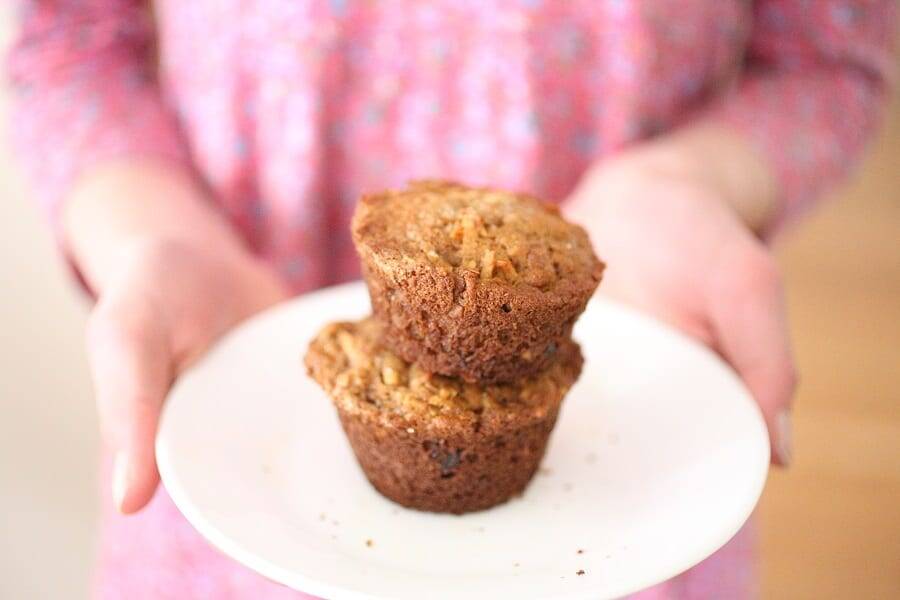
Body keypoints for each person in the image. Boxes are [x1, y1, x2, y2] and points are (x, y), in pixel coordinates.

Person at [7, 1, 895, 598]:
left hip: (630, 518)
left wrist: (693, 180)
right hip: (229, 472)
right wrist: (148, 231)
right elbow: (65, 44)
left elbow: (830, 59)